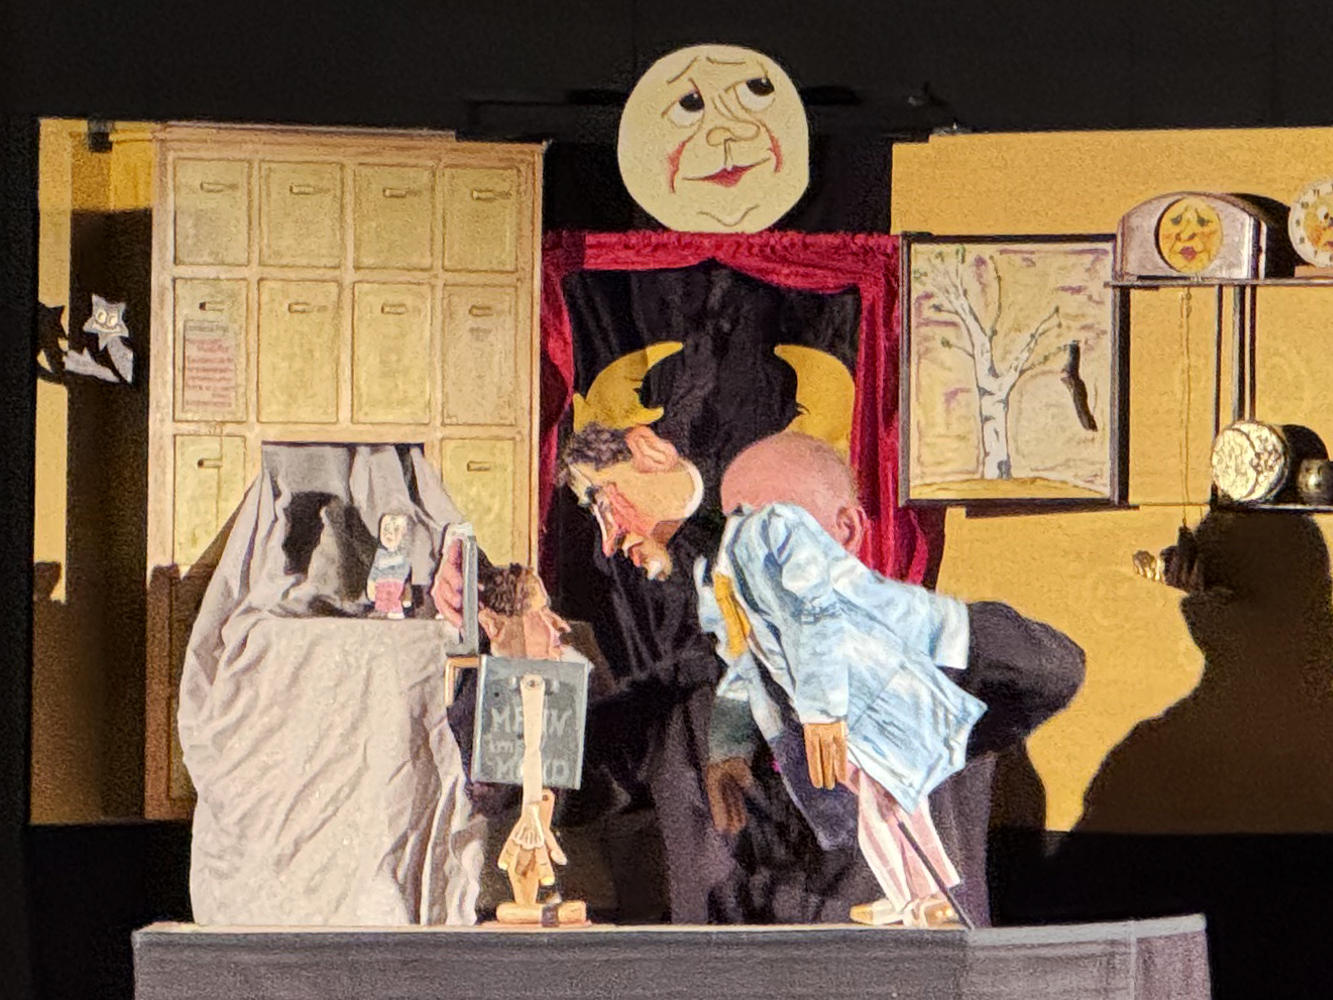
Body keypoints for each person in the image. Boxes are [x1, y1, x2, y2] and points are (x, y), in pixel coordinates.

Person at [560, 422, 1087, 925]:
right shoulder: (689, 693)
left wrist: (887, 616)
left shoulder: (927, 665)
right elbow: (553, 780)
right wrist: (525, 660)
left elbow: (1055, 669)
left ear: (846, 532)